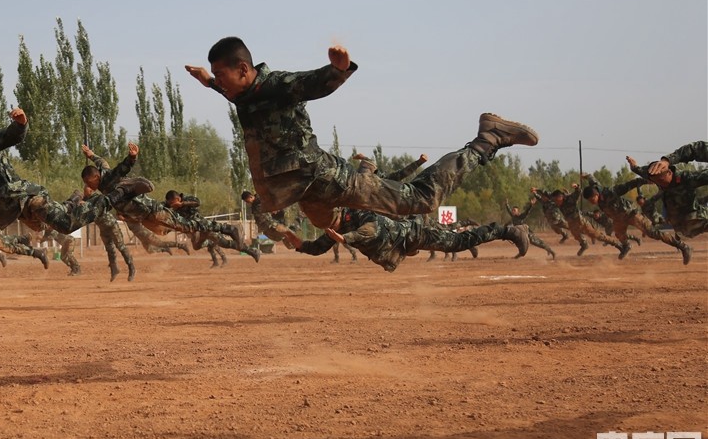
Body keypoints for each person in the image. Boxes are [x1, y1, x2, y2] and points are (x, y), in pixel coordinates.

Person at [186, 37, 538, 229]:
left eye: (223, 74)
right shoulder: (242, 95)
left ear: (244, 69)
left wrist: (337, 70)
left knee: (419, 201)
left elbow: (311, 84)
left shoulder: (276, 86)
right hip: (301, 192)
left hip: (322, 177)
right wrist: (208, 81)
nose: (221, 83)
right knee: (325, 222)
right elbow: (227, 90)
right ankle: (371, 231)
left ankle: (487, 138)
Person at [0, 109, 146, 237]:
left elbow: (3, 138)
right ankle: (72, 201)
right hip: (15, 207)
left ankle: (118, 192)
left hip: (25, 198)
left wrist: (21, 123)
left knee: (66, 225)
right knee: (40, 227)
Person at [81, 144, 246, 248]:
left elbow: (121, 169)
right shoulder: (101, 176)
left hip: (151, 211)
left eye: (89, 183)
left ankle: (228, 229)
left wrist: (132, 158)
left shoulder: (109, 177)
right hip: (143, 217)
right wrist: (90, 154)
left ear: (96, 178)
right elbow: (101, 162)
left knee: (186, 226)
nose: (88, 186)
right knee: (175, 229)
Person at [284, 208, 530, 273]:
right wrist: (300, 245)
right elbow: (318, 247)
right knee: (457, 240)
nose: (327, 229)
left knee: (458, 242)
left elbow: (372, 229)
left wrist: (346, 237)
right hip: (403, 245)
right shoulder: (333, 227)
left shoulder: (356, 215)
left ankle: (508, 231)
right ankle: (508, 231)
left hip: (413, 232)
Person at [582, 175, 691, 265]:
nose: (592, 202)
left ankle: (683, 247)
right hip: (618, 219)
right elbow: (593, 180)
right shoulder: (596, 189)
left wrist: (646, 180)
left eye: (592, 199)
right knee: (619, 234)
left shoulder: (611, 192)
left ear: (596, 194)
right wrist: (586, 176)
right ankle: (627, 246)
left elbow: (630, 184)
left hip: (630, 214)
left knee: (652, 233)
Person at [165, 190, 260, 263]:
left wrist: (182, 204)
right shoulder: (171, 206)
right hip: (195, 231)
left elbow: (197, 202)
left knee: (225, 243)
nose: (172, 206)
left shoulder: (186, 199)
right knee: (196, 246)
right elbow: (162, 206)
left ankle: (251, 250)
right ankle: (210, 243)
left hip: (202, 226)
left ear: (177, 199)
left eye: (173, 203)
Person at [627, 155, 708, 239]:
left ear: (669, 172)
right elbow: (641, 171)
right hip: (683, 227)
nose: (661, 184)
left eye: (662, 181)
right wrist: (634, 166)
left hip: (699, 219)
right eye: (657, 182)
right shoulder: (654, 174)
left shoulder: (685, 178)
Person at [536, 185, 627, 258]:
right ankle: (584, 245)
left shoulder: (570, 199)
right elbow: (546, 194)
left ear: (561, 197)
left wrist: (577, 187)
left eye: (556, 200)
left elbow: (578, 192)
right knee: (576, 235)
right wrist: (537, 190)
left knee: (597, 235)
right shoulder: (555, 199)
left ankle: (618, 245)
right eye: (554, 200)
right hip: (571, 222)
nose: (555, 202)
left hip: (580, 221)